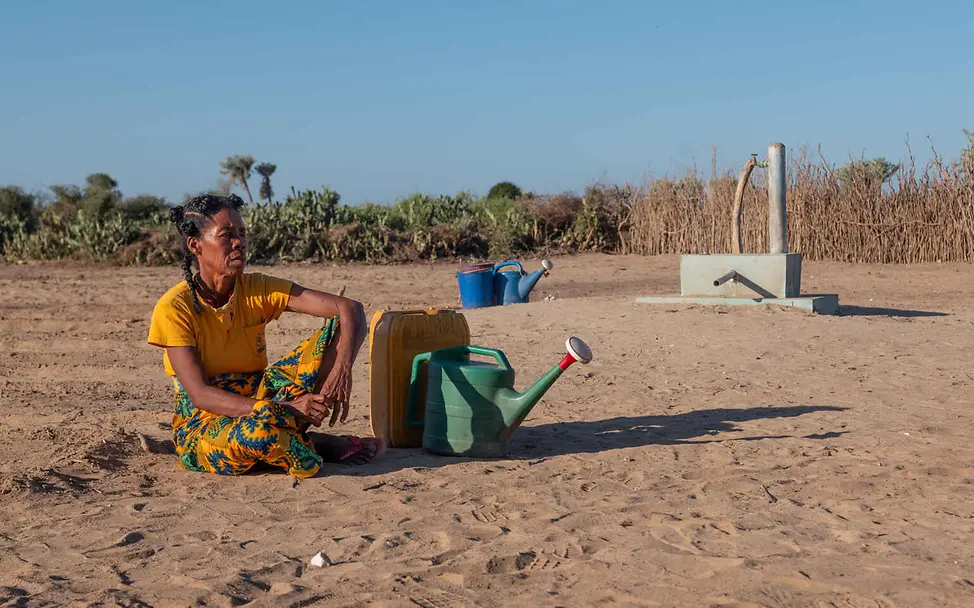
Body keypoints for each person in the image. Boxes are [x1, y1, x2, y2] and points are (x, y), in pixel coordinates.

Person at [146, 193, 385, 478]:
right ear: (195, 245)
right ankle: (309, 443)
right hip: (206, 422)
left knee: (339, 329)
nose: (240, 242)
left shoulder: (257, 287)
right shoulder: (175, 307)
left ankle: (289, 439)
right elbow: (200, 395)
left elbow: (350, 309)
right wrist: (287, 409)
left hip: (262, 395)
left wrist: (341, 370)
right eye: (226, 235)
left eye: (242, 233)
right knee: (258, 432)